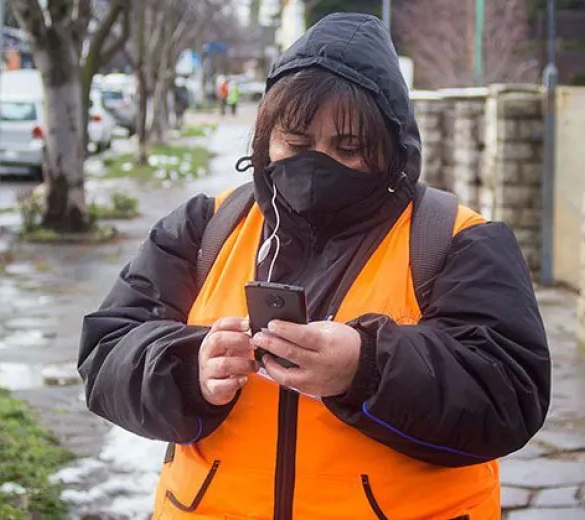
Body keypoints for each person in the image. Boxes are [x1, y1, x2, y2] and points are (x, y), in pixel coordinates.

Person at [79, 12, 550, 520]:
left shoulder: (457, 239)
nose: (316, 163)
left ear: (391, 150)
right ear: (265, 139)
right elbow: (106, 350)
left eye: (347, 147)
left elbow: (510, 392)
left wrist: (366, 366)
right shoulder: (206, 225)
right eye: (297, 144)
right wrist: (189, 367)